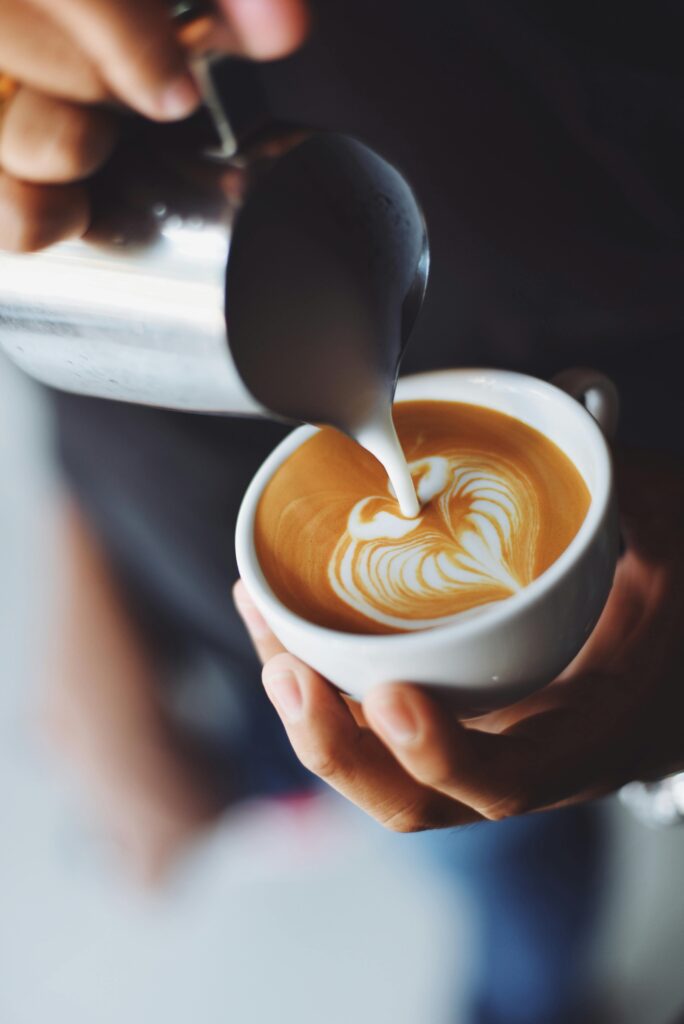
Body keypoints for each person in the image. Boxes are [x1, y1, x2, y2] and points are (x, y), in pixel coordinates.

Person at [2, 2, 683, 1021]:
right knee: (402, 816)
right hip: (221, 616)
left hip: (611, 639)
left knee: (509, 863)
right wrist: (89, 584)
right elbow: (60, 271)